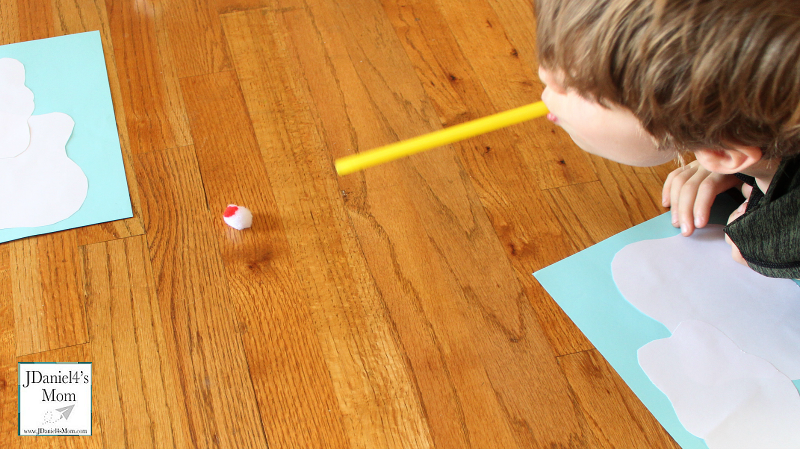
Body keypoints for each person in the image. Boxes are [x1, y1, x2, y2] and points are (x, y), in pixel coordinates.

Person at [534, 0, 800, 278]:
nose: (545, 76)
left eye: (584, 90)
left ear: (721, 151)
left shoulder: (772, 240)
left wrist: (759, 235)